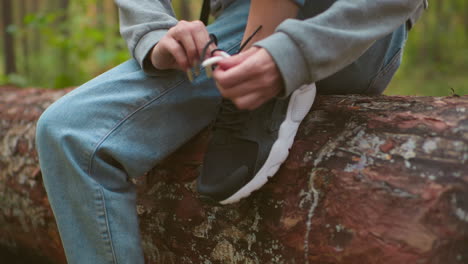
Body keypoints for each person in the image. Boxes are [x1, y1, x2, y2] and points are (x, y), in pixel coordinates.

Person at [35, 0, 427, 263]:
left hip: (350, 23)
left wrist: (291, 52)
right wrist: (153, 33)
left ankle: (271, 83)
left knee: (74, 134)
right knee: (67, 133)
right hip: (236, 23)